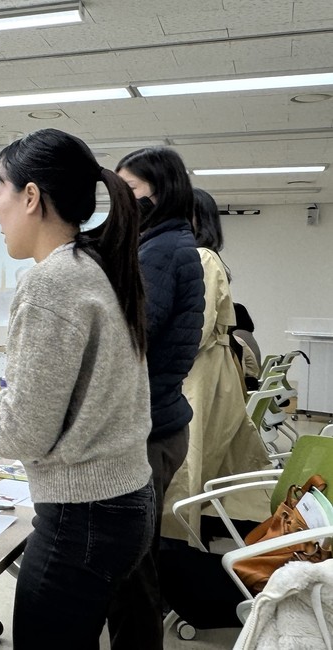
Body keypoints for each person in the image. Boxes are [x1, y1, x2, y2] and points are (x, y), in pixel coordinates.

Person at [0, 128, 155, 648]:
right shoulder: (93, 266)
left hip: (83, 518)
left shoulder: (50, 282)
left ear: (31, 196)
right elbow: (60, 401)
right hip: (123, 501)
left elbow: (24, 435)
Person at [108, 146, 205, 650]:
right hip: (160, 419)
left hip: (148, 427)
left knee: (132, 565)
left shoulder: (162, 251)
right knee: (136, 557)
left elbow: (127, 333)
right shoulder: (167, 242)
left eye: (129, 190)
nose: (120, 200)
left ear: (159, 191)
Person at [161, 188, 269, 542]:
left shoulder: (201, 258)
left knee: (187, 463)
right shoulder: (200, 257)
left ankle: (176, 543)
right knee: (195, 460)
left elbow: (196, 328)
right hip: (205, 369)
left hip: (199, 371)